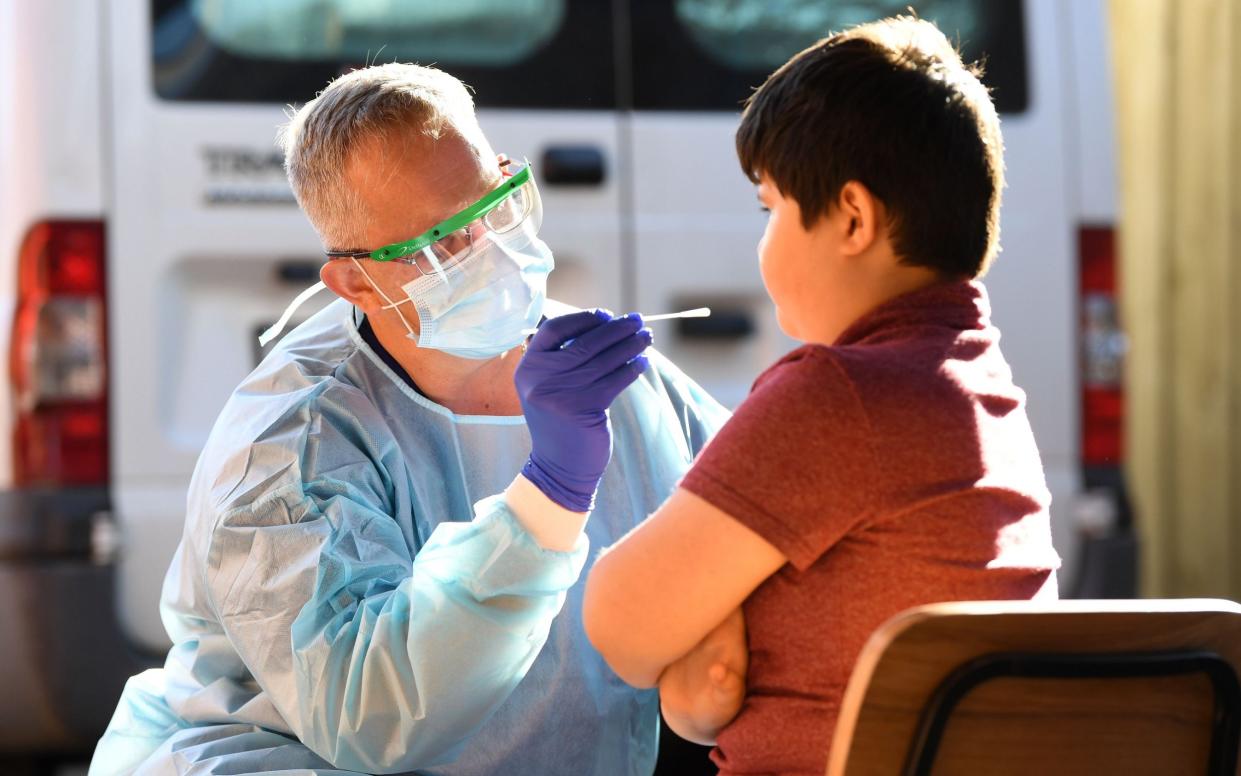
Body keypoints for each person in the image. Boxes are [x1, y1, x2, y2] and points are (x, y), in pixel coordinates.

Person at [88, 63, 727, 775]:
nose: (488, 246)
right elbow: (370, 715)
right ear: (356, 281)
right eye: (442, 243)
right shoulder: (289, 448)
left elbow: (757, 527)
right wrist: (548, 495)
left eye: (496, 202)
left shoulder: (615, 383)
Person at [579, 17, 1062, 776]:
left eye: (769, 210)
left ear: (852, 218)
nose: (762, 241)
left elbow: (617, 624)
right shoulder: (981, 391)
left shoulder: (839, 395)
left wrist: (705, 635)